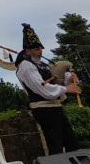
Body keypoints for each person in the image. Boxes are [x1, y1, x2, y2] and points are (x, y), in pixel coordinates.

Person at [15, 23, 81, 155]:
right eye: (36, 49)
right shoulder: (26, 66)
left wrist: (69, 78)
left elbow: (55, 78)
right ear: (28, 51)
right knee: (55, 144)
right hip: (43, 109)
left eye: (40, 48)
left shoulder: (42, 65)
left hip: (56, 107)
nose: (40, 52)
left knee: (71, 142)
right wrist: (67, 89)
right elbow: (43, 89)